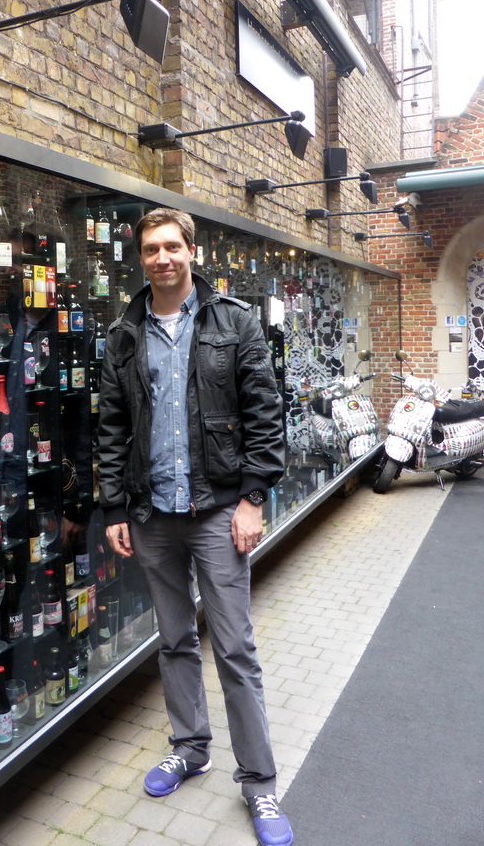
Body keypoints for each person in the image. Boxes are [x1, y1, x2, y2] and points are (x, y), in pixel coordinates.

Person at [97, 207, 292, 846]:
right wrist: (113, 506)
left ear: (192, 251)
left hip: (216, 512)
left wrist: (254, 497)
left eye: (172, 247)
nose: (162, 258)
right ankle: (191, 747)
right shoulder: (124, 333)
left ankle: (259, 785)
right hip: (153, 513)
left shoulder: (233, 323)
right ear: (140, 256)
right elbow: (112, 427)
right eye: (151, 248)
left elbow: (266, 413)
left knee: (235, 647)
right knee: (175, 639)